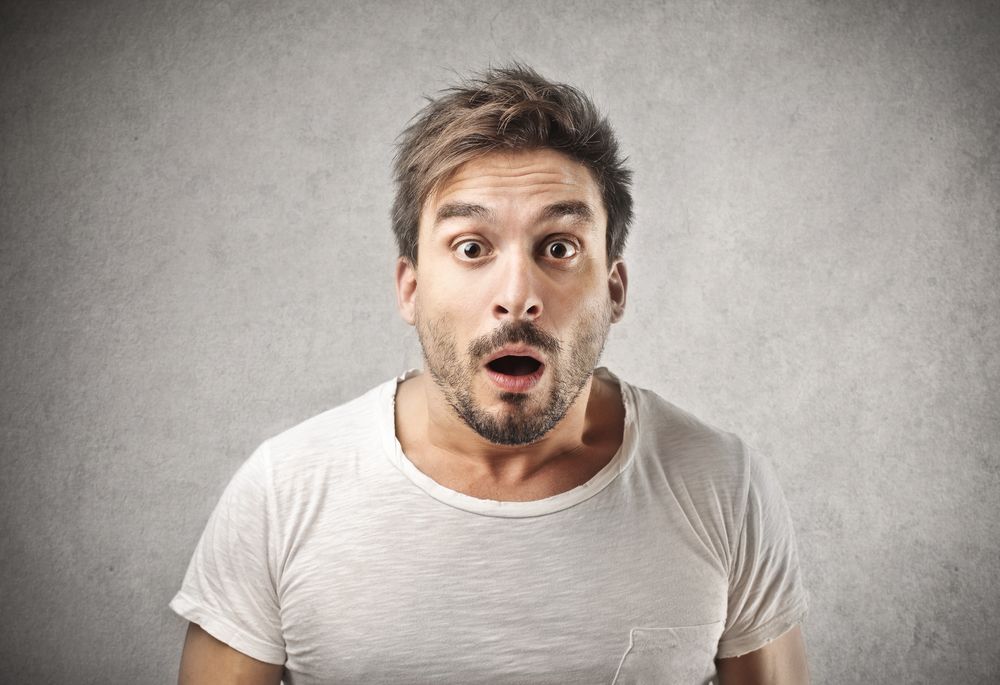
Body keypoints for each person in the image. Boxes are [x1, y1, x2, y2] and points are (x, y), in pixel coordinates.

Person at [171, 64, 810, 684]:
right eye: (471, 248)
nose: (517, 295)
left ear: (614, 288)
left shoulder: (724, 485)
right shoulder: (283, 494)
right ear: (411, 288)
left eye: (559, 247)